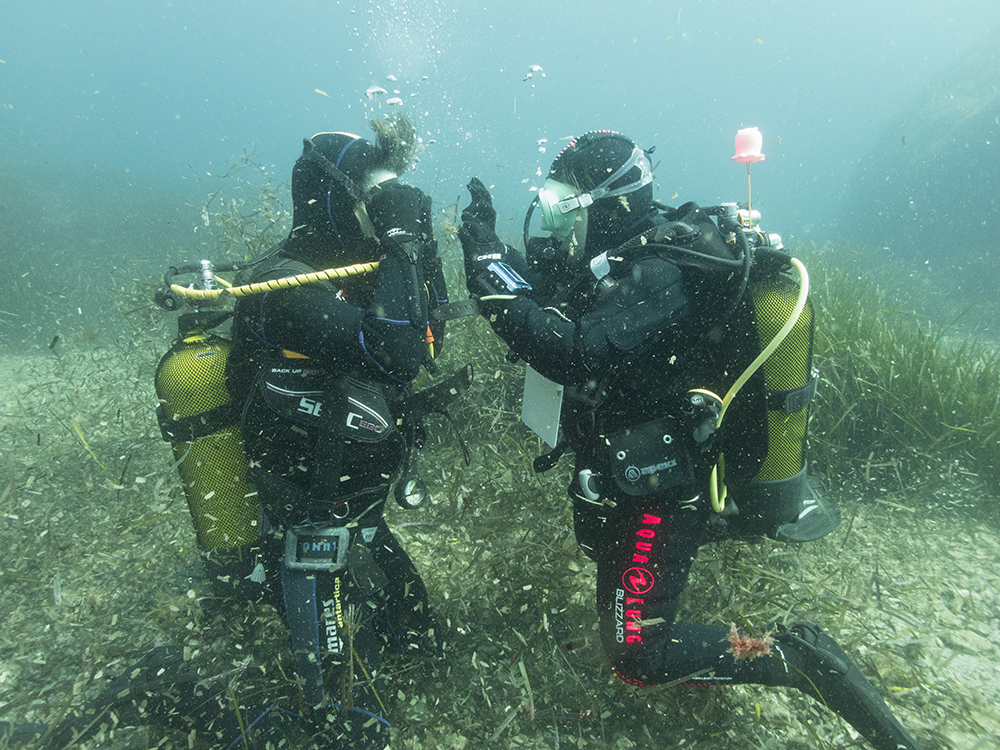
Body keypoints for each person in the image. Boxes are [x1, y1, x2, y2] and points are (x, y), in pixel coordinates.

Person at [458, 130, 922, 750]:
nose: (551, 220)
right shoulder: (620, 251)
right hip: (627, 470)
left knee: (637, 656)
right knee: (612, 582)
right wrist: (490, 246)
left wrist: (486, 270)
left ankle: (794, 656)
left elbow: (570, 353)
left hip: (661, 490)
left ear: (609, 201)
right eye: (548, 201)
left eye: (562, 204)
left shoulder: (660, 270)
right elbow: (552, 295)